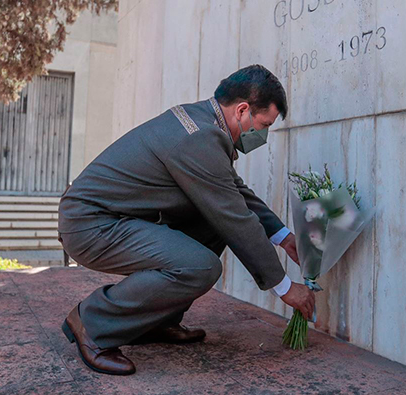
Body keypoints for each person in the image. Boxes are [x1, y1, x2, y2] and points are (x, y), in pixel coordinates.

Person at [58, 65, 315, 376]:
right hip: (93, 225)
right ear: (243, 110)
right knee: (200, 267)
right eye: (263, 125)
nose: (263, 136)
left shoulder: (202, 122)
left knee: (213, 223)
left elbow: (234, 193)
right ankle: (92, 322)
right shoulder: (199, 138)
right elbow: (235, 217)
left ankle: (156, 322)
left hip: (116, 217)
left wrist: (284, 236)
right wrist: (285, 287)